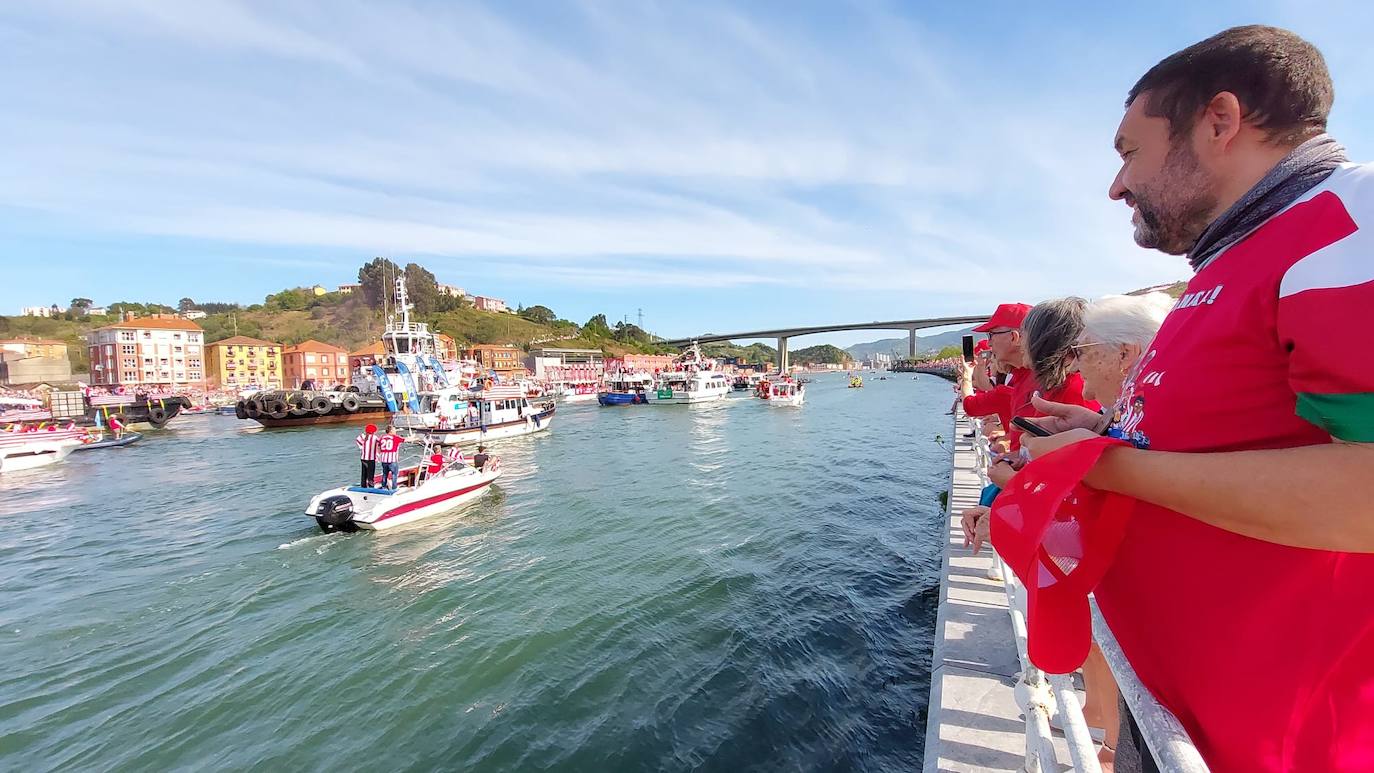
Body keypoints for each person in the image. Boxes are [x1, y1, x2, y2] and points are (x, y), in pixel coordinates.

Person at [1018, 26, 1374, 772]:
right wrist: (1107, 428)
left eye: (1128, 151)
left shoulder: (1346, 225)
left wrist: (1108, 466)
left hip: (1263, 737)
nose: (1117, 185)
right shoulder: (1244, 249)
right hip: (1177, 712)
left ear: (1219, 122)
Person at [375, 425, 404, 489]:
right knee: (394, 474)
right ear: (391, 431)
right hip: (392, 460)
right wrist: (414, 437)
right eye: (394, 430)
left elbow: (378, 447)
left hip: (384, 460)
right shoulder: (395, 437)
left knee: (385, 474)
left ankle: (383, 487)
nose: (395, 431)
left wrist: (380, 455)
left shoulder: (382, 437)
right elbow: (405, 440)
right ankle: (394, 488)